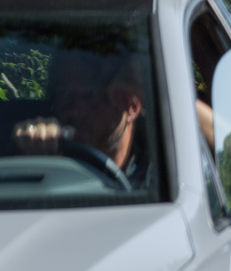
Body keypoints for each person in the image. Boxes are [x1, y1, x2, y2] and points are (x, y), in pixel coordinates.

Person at [14, 49, 151, 187]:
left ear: (131, 106)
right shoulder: (50, 158)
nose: (73, 111)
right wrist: (34, 156)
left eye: (89, 95)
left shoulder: (160, 173)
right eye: (63, 95)